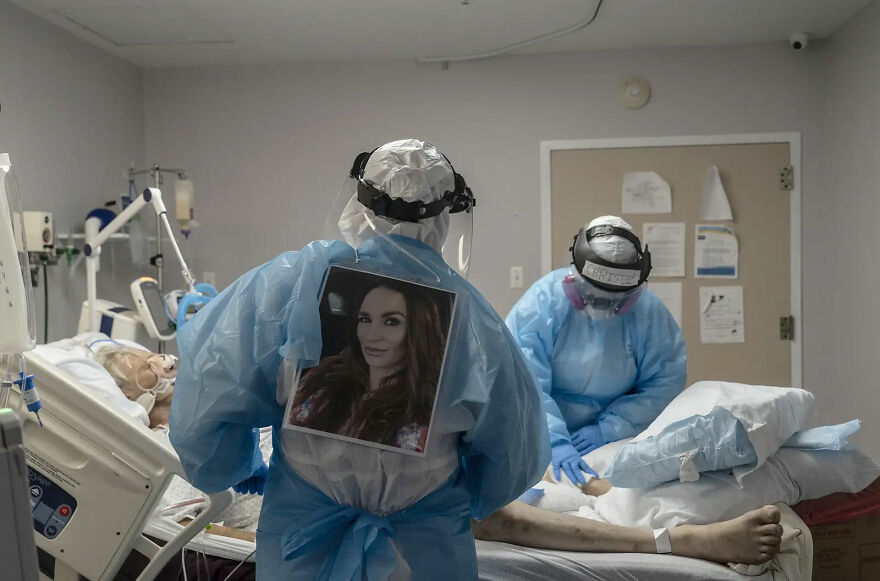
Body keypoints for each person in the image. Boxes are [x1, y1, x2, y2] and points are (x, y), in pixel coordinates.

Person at [169, 139, 549, 580]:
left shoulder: (291, 284)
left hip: (304, 540)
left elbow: (210, 387)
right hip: (425, 548)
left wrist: (235, 464)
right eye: (366, 319)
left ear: (359, 202)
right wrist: (462, 490)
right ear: (445, 215)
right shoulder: (476, 321)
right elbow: (514, 454)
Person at [506, 216, 687, 487]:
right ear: (576, 274)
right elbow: (524, 380)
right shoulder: (543, 303)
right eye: (593, 294)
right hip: (538, 431)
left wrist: (609, 429)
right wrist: (555, 441)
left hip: (616, 436)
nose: (603, 306)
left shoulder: (649, 313)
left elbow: (664, 382)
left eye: (616, 298)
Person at [290, 279, 448, 453]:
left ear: (418, 331)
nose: (371, 335)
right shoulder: (326, 379)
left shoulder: (422, 417)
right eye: (365, 319)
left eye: (391, 322)